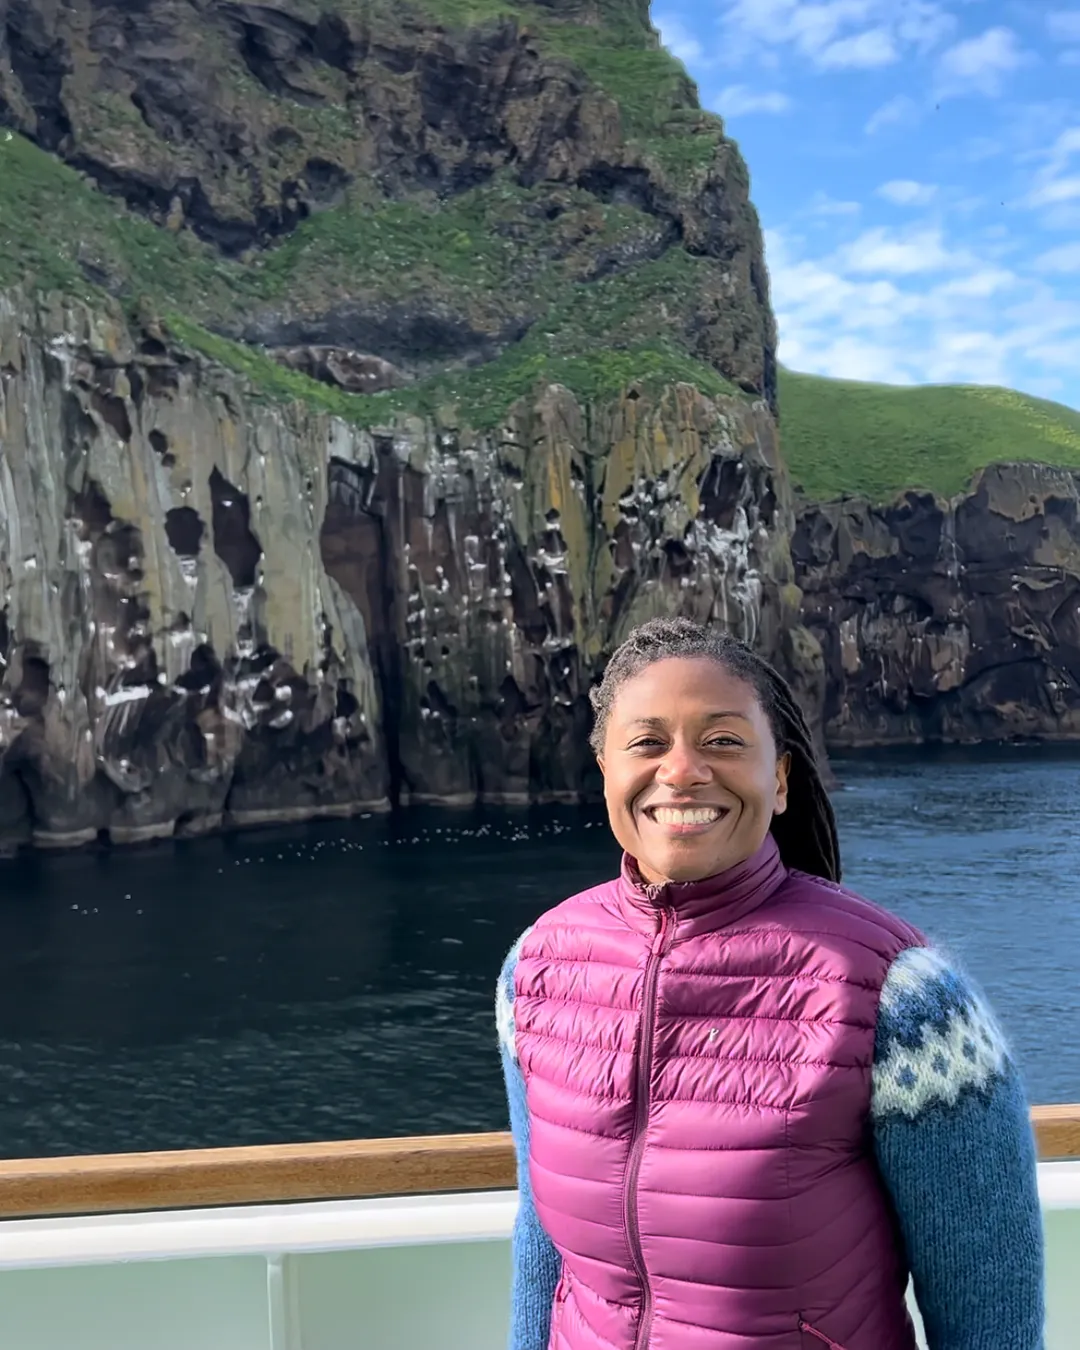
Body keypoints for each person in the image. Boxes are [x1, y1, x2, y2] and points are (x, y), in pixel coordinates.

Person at [496, 616, 1044, 1350]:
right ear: (605, 772)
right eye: (647, 742)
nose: (682, 769)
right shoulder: (537, 970)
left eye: (722, 740)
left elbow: (990, 1323)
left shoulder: (906, 1004)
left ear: (779, 779)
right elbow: (545, 1240)